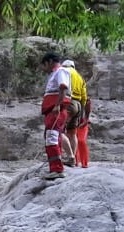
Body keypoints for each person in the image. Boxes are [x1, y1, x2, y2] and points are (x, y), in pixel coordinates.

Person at [39, 52, 73, 180]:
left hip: (56, 111)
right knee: (54, 137)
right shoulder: (54, 74)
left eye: (44, 65)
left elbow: (63, 88)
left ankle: (57, 169)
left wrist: (57, 105)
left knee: (51, 138)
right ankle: (55, 167)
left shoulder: (60, 71)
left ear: (49, 62)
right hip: (52, 111)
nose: (43, 69)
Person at [61, 60, 92, 168]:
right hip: (78, 105)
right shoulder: (80, 77)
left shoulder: (64, 72)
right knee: (72, 133)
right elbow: (85, 97)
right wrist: (82, 112)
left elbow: (62, 87)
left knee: (59, 130)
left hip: (68, 102)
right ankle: (73, 159)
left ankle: (66, 156)